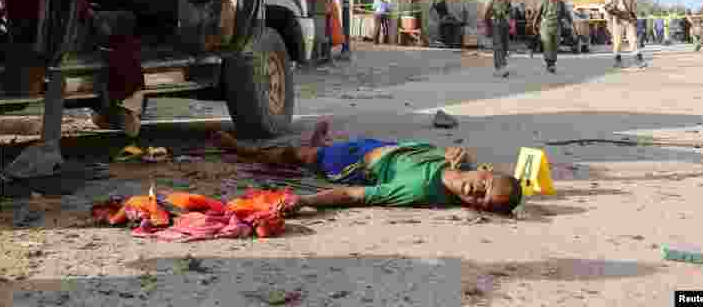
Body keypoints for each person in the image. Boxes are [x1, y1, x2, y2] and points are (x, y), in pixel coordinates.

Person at [211, 121, 523, 215]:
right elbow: (464, 169)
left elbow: (356, 194)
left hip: (353, 166)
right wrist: (458, 157)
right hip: (381, 145)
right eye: (485, 184)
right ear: (485, 169)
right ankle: (321, 144)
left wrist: (305, 201)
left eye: (482, 201)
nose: (476, 192)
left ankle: (242, 150)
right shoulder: (460, 162)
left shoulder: (418, 190)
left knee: (295, 155)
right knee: (324, 148)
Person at [604, 0, 645, 68]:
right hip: (618, 21)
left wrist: (634, 18)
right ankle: (617, 61)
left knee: (633, 40)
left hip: (629, 20)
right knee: (618, 42)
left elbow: (633, 8)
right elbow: (606, 6)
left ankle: (638, 60)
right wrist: (616, 12)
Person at [532, 0, 571, 73]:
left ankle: (552, 62)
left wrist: (570, 23)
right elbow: (538, 13)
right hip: (545, 26)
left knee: (555, 45)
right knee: (548, 44)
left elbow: (567, 15)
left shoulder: (561, 4)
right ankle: (550, 64)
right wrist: (534, 25)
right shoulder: (545, 1)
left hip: (556, 26)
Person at [484, 0, 512, 77]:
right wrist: (487, 28)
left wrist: (511, 24)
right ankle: (502, 66)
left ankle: (498, 68)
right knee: (498, 46)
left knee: (504, 47)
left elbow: (509, 13)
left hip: (504, 25)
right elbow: (486, 15)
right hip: (495, 25)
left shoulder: (507, 1)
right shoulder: (491, 1)